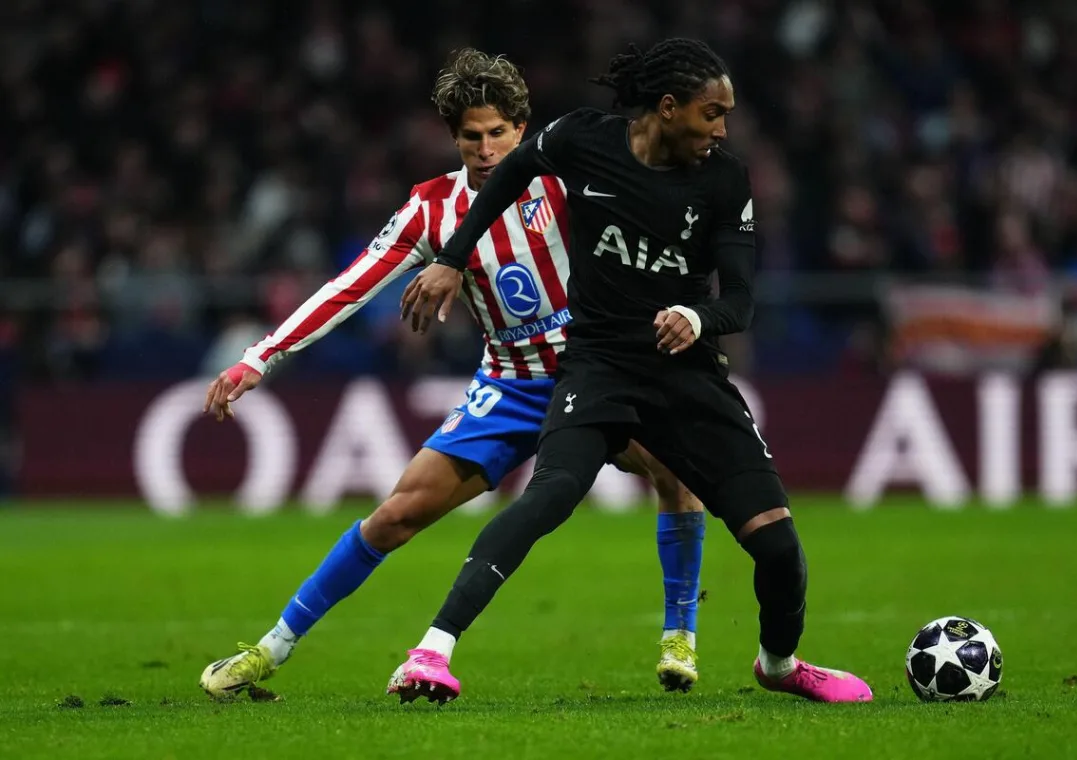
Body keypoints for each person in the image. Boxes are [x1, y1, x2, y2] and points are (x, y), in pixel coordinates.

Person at [197, 49, 708, 700]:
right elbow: (348, 287)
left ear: (522, 129)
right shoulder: (431, 209)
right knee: (395, 516)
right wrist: (259, 357)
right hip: (509, 385)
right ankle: (271, 648)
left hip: (596, 369)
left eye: (498, 133)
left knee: (677, 473)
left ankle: (679, 636)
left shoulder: (564, 177)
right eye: (472, 136)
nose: (487, 150)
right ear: (454, 137)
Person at [393, 38, 872, 704]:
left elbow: (740, 299)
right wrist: (452, 256)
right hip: (598, 366)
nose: (722, 130)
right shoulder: (583, 139)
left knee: (778, 546)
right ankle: (431, 652)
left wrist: (698, 316)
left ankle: (780, 665)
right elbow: (511, 174)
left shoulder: (724, 180)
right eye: (712, 114)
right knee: (548, 496)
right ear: (669, 108)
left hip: (685, 374)